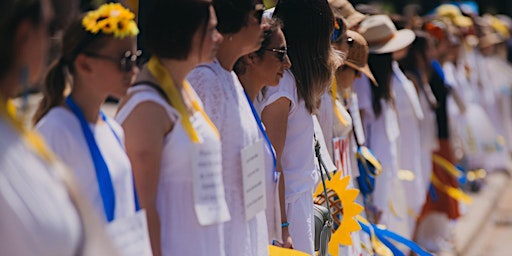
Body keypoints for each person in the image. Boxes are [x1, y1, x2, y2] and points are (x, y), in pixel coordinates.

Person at [0, 0, 117, 255]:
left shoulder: (15, 133)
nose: (51, 42)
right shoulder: (49, 130)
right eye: (48, 28)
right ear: (23, 36)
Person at [33, 3, 151, 254]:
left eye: (135, 59)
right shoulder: (54, 130)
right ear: (85, 65)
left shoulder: (113, 129)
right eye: (124, 61)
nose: (134, 71)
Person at [116, 1, 228, 255]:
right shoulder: (146, 107)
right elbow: (142, 210)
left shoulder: (185, 92)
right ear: (184, 32)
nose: (218, 37)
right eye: (210, 30)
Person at [255, 0, 341, 254]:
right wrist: (282, 226)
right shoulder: (280, 86)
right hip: (287, 209)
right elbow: (274, 163)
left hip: (296, 202)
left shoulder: (291, 80)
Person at [186, 0, 271, 255]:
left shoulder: (228, 77)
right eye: (258, 14)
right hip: (221, 233)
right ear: (235, 22)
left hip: (244, 222)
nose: (265, 23)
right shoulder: (204, 80)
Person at [355, 14, 415, 240]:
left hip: (386, 166)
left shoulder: (384, 85)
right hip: (372, 172)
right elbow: (360, 132)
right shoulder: (363, 84)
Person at [234, 18, 292, 245]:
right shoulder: (230, 105)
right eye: (280, 53)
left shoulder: (252, 107)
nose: (287, 63)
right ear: (251, 56)